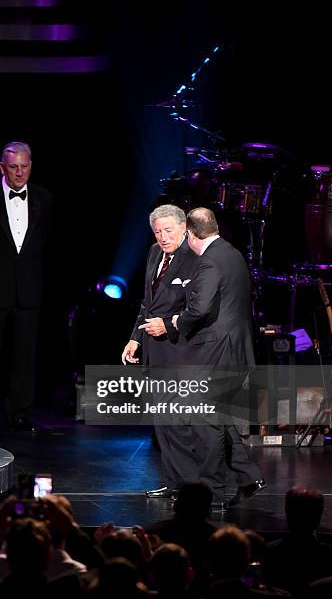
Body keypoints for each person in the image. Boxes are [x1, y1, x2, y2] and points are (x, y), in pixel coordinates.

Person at [172, 207, 265, 508]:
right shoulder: (232, 253)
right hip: (233, 346)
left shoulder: (209, 261)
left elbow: (199, 309)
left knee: (204, 419)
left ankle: (210, 493)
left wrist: (178, 321)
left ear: (190, 233)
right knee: (219, 417)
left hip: (216, 350)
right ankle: (249, 475)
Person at [121, 204, 199, 492]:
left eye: (168, 230)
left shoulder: (194, 258)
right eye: (158, 231)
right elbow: (147, 302)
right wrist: (135, 338)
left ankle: (191, 488)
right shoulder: (155, 253)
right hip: (155, 350)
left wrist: (168, 324)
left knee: (179, 422)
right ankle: (172, 482)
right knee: (163, 423)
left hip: (180, 349)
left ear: (184, 228)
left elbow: (197, 308)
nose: (163, 237)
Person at [0, 141, 52, 431]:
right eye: (13, 167)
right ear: (2, 167)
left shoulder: (45, 198)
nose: (19, 173)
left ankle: (21, 412)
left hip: (29, 289)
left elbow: (45, 244)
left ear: (31, 165)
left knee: (24, 356)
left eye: (24, 166)